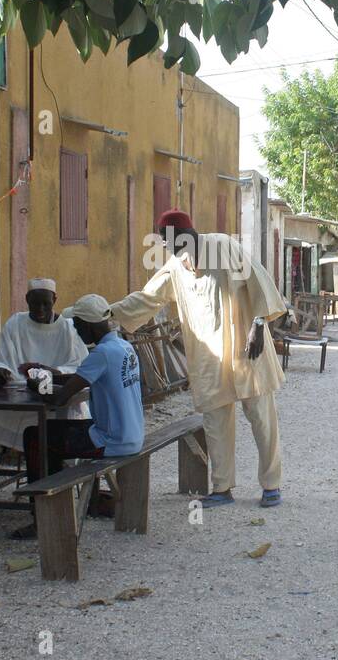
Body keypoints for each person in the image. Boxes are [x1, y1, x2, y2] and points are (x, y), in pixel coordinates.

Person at [112, 209, 287, 509]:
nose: (177, 250)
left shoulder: (224, 247)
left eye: (180, 242)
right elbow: (147, 298)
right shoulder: (175, 266)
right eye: (170, 245)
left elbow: (260, 280)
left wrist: (260, 325)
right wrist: (107, 313)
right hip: (209, 358)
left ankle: (271, 485)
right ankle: (222, 488)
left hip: (247, 348)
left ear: (192, 233)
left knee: (261, 418)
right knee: (215, 422)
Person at [14, 295, 144, 537]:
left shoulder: (101, 354)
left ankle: (43, 517)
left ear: (89, 325)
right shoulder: (124, 347)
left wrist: (37, 387)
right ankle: (75, 501)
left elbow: (59, 399)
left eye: (77, 324)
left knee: (35, 436)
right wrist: (51, 375)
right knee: (59, 432)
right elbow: (82, 379)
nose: (75, 329)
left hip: (112, 441)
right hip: (132, 435)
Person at [0, 278, 90, 460]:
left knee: (67, 406)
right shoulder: (15, 323)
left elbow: (79, 366)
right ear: (27, 300)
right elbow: (1, 359)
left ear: (54, 300)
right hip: (19, 386)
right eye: (35, 303)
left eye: (45, 303)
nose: (40, 309)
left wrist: (53, 372)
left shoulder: (66, 328)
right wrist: (1, 371)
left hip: (52, 389)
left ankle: (57, 458)